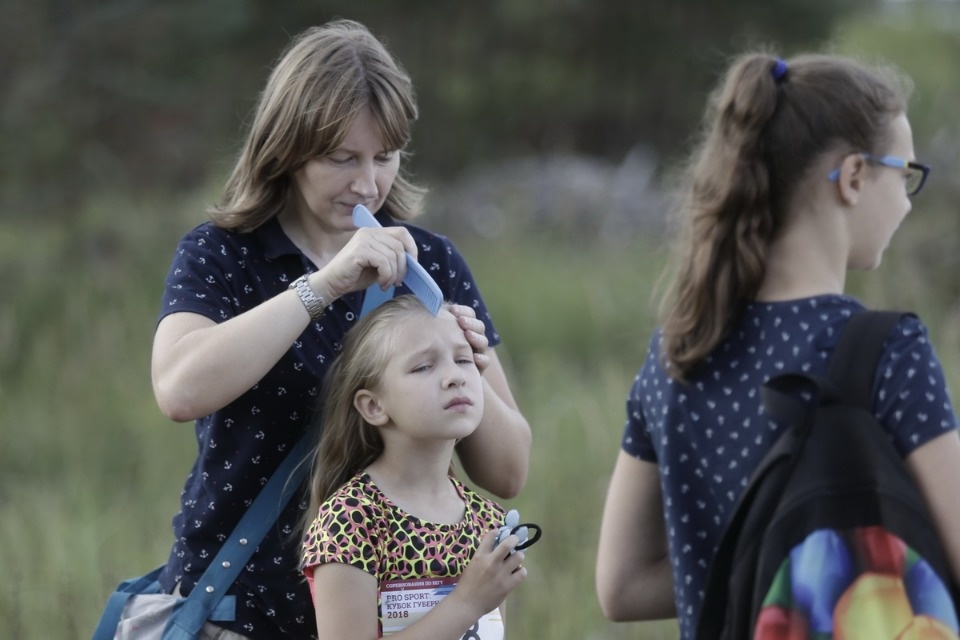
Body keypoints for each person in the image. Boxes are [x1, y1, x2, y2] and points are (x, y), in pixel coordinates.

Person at [149, 20, 531, 639]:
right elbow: (179, 390)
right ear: (287, 149)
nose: (367, 184)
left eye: (385, 157)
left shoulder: (430, 262)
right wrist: (324, 285)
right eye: (341, 158)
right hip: (241, 610)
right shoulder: (224, 253)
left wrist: (470, 360)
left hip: (397, 617)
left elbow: (508, 472)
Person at [595, 51, 960, 639]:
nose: (907, 201)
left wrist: (748, 564)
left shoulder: (675, 356)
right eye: (906, 174)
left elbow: (622, 586)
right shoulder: (888, 351)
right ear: (855, 177)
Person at [300, 295, 527, 639]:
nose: (454, 377)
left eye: (464, 360)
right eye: (423, 367)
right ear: (373, 406)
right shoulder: (352, 518)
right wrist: (467, 603)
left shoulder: (488, 520)